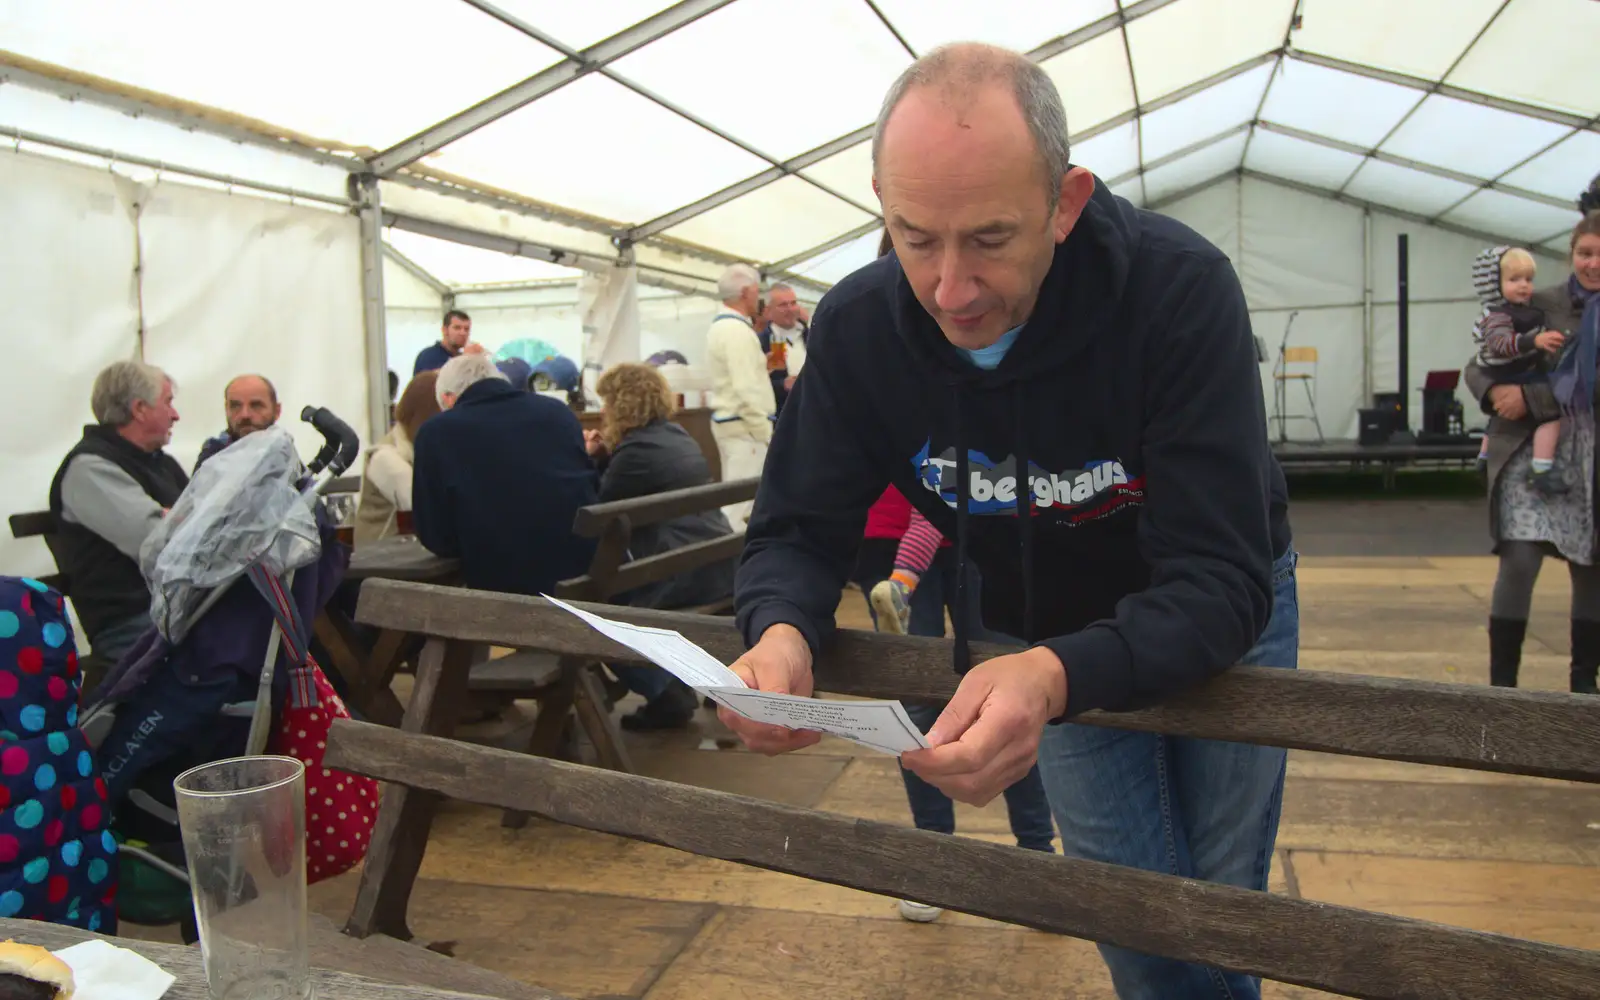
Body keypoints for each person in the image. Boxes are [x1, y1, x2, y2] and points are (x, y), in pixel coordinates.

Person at [722, 44, 1295, 999]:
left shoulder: (1178, 292)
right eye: (914, 237)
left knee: (1221, 902)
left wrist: (1050, 674)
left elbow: (1220, 578)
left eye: (990, 238)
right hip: (1051, 626)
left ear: (1066, 202)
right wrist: (780, 627)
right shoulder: (862, 327)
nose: (950, 289)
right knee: (1126, 909)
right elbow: (794, 525)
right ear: (880, 201)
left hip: (1215, 614)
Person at [1465, 212, 1600, 693]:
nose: (1593, 263)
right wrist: (1492, 392)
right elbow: (1479, 361)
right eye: (1586, 252)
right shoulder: (1539, 302)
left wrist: (1532, 397)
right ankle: (1503, 690)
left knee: (1589, 569)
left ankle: (1584, 689)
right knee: (1519, 561)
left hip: (1590, 458)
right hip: (1528, 447)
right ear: (1571, 254)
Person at [584, 362, 737, 730]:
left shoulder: (634, 453)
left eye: (606, 402)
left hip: (682, 577)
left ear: (622, 405)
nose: (603, 411)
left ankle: (665, 692)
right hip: (718, 564)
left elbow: (595, 518)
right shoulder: (676, 435)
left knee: (593, 607)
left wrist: (589, 459)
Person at [411, 354, 597, 596]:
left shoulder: (438, 432)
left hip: (508, 590)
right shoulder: (557, 412)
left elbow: (436, 537)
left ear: (449, 399)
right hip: (583, 572)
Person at [49, 361, 187, 665]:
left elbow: (205, 524)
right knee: (255, 628)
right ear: (139, 409)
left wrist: (174, 518)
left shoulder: (158, 463)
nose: (175, 415)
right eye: (168, 402)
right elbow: (160, 544)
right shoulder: (89, 469)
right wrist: (178, 520)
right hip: (132, 622)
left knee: (273, 616)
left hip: (172, 609)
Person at [1470, 248, 1563, 487]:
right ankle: (1542, 467)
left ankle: (1484, 454)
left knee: (1497, 415)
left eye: (1528, 280)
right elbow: (1500, 343)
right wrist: (1533, 341)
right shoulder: (1497, 315)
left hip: (1508, 372)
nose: (1523, 286)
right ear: (1494, 284)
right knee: (1549, 417)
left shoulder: (1522, 310)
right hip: (1510, 372)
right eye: (1514, 280)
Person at [705, 264, 776, 531]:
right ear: (746, 292)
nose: (759, 298)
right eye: (757, 291)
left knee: (737, 499)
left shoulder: (722, 327)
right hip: (745, 428)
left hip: (730, 424)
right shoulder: (737, 332)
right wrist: (764, 430)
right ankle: (731, 567)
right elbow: (746, 389)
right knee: (741, 506)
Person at [353, 371, 441, 547]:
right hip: (380, 565)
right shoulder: (385, 458)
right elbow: (429, 510)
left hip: (408, 561)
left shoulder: (413, 450)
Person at [194, 374, 281, 471]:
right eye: (235, 406)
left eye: (256, 406)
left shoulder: (287, 457)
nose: (245, 415)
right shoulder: (211, 459)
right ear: (226, 409)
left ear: (277, 411)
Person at [761, 282, 810, 414]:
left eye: (793, 303)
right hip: (782, 416)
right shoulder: (763, 341)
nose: (790, 309)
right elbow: (754, 385)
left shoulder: (810, 336)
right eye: (783, 305)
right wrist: (783, 385)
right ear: (769, 310)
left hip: (814, 413)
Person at [412, 310, 484, 375]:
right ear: (444, 330)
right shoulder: (428, 355)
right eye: (457, 328)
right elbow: (431, 379)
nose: (463, 333)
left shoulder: (461, 356)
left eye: (466, 329)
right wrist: (464, 360)